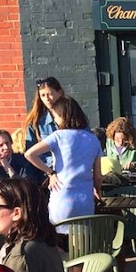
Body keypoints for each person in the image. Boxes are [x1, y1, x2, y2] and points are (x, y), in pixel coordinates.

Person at [24, 96, 103, 235]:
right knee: (83, 241)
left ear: (62, 116)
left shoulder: (58, 136)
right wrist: (97, 190)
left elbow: (30, 154)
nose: (54, 120)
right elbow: (98, 176)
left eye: (55, 116)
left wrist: (50, 173)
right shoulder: (93, 139)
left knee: (58, 240)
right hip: (85, 200)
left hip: (62, 197)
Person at [24, 77, 63, 172]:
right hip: (47, 171)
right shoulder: (36, 122)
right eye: (43, 95)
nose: (47, 99)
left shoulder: (74, 117)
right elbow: (31, 150)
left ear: (60, 93)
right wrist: (50, 168)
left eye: (50, 94)